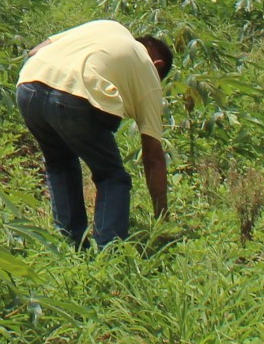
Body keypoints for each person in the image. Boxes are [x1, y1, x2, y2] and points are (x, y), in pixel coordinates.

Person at [16, 19, 172, 247]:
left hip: (29, 85)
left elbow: (36, 50)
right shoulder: (148, 69)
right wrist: (162, 215)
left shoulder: (108, 26)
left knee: (59, 164)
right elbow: (153, 157)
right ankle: (109, 249)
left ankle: (73, 245)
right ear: (157, 65)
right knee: (112, 176)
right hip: (75, 98)